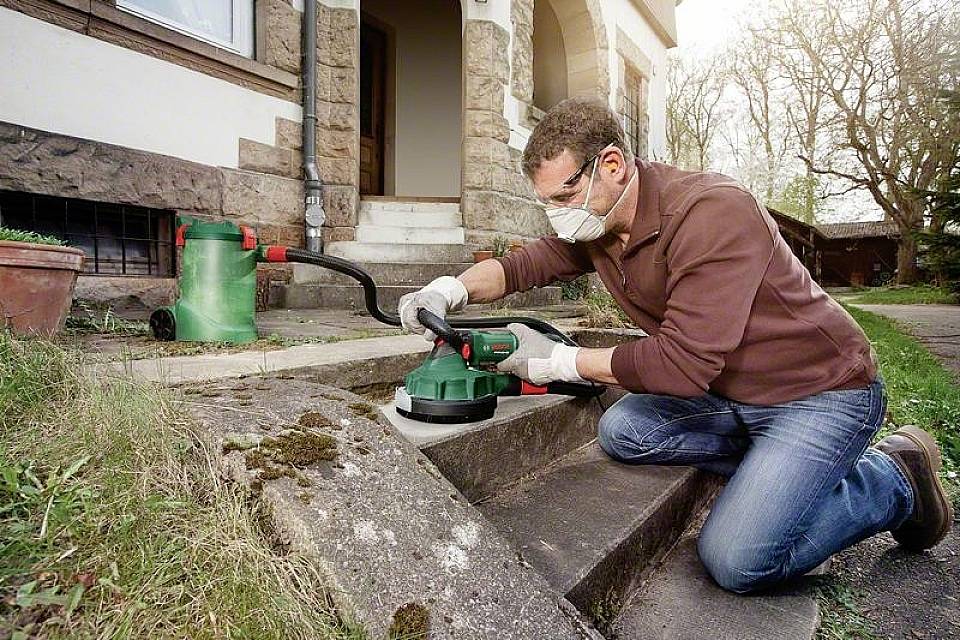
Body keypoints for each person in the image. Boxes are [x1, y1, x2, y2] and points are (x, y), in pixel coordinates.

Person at [396, 97, 953, 593]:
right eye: (546, 201)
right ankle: (778, 472)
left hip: (819, 391)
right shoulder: (597, 225)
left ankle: (893, 480)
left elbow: (682, 365)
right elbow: (526, 264)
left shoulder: (712, 211)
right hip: (731, 392)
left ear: (611, 165)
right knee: (625, 429)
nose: (557, 213)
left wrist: (557, 360)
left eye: (565, 194)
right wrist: (449, 290)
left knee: (738, 560)